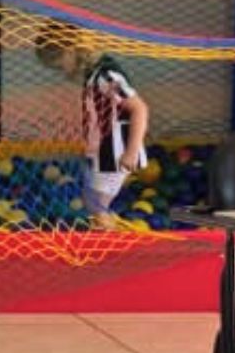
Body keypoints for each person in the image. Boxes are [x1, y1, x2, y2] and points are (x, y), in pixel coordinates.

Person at [36, 23, 150, 217]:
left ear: (70, 52)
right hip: (104, 150)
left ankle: (110, 233)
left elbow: (139, 109)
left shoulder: (105, 75)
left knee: (97, 208)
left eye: (59, 64)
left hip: (115, 152)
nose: (61, 70)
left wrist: (131, 152)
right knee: (94, 205)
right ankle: (109, 228)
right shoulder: (93, 75)